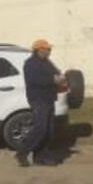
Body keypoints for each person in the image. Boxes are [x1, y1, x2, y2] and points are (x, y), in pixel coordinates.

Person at [16, 38, 66, 167]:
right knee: (40, 128)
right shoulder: (31, 64)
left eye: (49, 49)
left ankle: (41, 157)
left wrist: (60, 79)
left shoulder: (47, 62)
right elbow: (36, 81)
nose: (49, 51)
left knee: (49, 131)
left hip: (49, 98)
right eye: (47, 49)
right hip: (38, 99)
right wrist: (53, 79)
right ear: (39, 50)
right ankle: (22, 152)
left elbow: (56, 74)